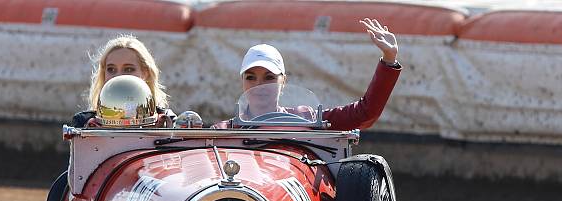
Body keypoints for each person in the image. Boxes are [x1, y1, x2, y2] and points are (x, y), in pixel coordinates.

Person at [218, 18, 401, 130]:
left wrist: (389, 59)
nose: (259, 86)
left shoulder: (306, 120)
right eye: (251, 77)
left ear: (283, 82)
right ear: (242, 82)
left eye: (269, 77)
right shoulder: (224, 130)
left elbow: (364, 114)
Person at [72, 35, 175, 128]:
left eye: (128, 69)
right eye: (111, 69)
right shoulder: (83, 123)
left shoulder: (167, 121)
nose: (118, 76)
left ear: (145, 73)